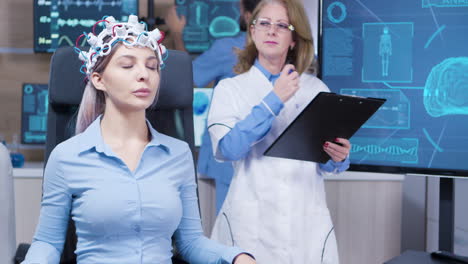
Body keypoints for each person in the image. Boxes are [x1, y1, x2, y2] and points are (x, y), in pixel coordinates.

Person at [22, 15, 255, 264]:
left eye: (152, 66)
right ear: (98, 80)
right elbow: (47, 243)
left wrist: (236, 257)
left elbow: (191, 243)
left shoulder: (178, 153)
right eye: (127, 65)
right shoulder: (67, 156)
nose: (144, 74)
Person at [207, 0, 352, 263]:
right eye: (264, 23)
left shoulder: (315, 89)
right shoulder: (231, 89)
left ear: (294, 39)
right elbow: (228, 149)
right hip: (251, 227)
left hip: (306, 226)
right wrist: (273, 100)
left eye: (282, 25)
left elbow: (327, 165)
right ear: (252, 31)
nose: (271, 31)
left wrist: (338, 157)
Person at [165, 0, 261, 213]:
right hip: (262, 157)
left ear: (246, 16)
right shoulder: (288, 56)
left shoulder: (231, 49)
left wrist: (177, 33)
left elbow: (187, 76)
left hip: (230, 159)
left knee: (230, 231)